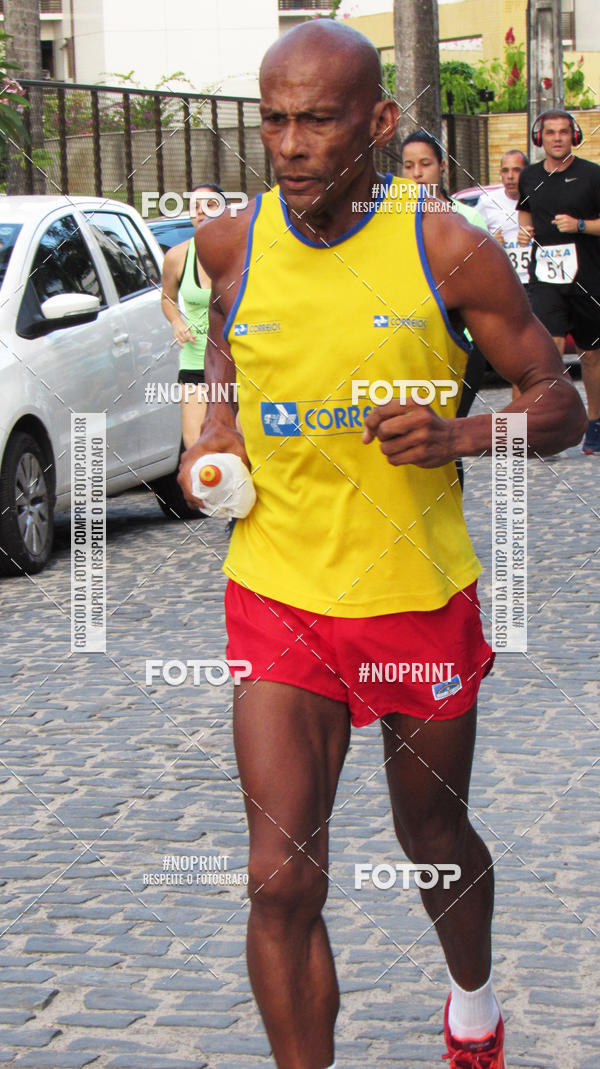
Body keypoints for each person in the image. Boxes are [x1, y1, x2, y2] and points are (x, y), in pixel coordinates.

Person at [179, 21, 586, 1069]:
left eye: (318, 119)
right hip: (279, 591)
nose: (291, 144)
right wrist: (217, 428)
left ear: (381, 120)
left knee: (432, 840)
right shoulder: (235, 243)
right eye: (275, 120)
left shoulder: (445, 247)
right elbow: (222, 338)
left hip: (413, 594)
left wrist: (460, 433)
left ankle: (475, 1004)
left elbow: (560, 406)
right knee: (280, 876)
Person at [400, 130, 489, 475]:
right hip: (406, 346)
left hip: (460, 347)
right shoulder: (384, 224)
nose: (417, 173)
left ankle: (448, 521)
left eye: (425, 164)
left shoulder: (468, 221)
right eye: (408, 166)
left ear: (441, 167)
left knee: (445, 439)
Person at [517, 110, 600, 454]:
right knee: (546, 350)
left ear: (573, 136)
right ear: (540, 138)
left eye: (564, 132)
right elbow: (524, 215)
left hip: (588, 277)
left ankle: (595, 423)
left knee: (591, 356)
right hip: (546, 277)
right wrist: (524, 232)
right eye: (550, 132)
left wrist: (580, 226)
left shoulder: (593, 175)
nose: (556, 138)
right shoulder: (529, 176)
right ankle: (547, 425)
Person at [161, 183, 223, 449]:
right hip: (195, 360)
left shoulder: (241, 254)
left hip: (238, 362)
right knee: (197, 447)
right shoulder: (177, 256)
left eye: (209, 205)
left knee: (241, 449)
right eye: (195, 207)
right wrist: (177, 321)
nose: (201, 212)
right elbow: (167, 298)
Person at [477, 150, 531, 286]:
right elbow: (471, 240)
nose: (510, 176)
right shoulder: (487, 202)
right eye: (505, 171)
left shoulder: (539, 199)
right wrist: (491, 243)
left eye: (516, 170)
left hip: (536, 281)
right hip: (504, 282)